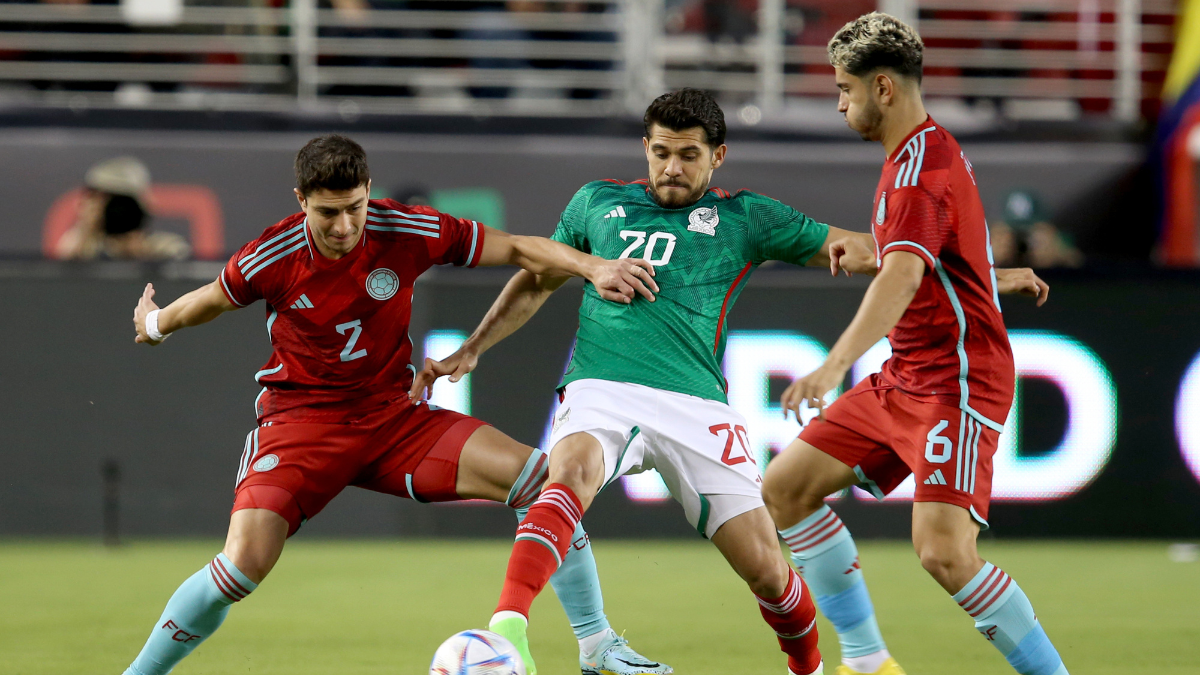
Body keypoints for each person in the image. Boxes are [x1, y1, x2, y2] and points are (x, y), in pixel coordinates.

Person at [410, 89, 1047, 675]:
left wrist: (982, 275)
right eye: (661, 153)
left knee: (772, 575)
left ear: (718, 155)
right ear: (646, 149)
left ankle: (815, 670)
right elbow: (537, 277)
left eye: (689, 156)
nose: (672, 168)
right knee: (567, 470)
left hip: (697, 408)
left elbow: (865, 248)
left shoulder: (746, 218)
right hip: (602, 386)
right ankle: (509, 632)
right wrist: (472, 348)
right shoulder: (595, 203)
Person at [119, 134, 670, 675]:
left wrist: (593, 267)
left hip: (393, 419)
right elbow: (209, 300)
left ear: (368, 192)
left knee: (542, 480)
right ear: (300, 201)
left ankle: (596, 646)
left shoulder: (407, 228)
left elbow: (521, 248)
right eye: (327, 213)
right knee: (242, 565)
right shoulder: (274, 253)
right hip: (300, 426)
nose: (343, 227)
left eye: (354, 208)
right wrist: (154, 324)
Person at [761, 13, 1066, 675]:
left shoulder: (914, 174)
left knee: (945, 553)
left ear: (884, 88)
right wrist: (991, 275)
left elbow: (904, 272)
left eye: (846, 89)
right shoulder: (927, 151)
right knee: (785, 487)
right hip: (907, 374)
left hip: (958, 379)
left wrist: (833, 364)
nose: (840, 104)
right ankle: (869, 661)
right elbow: (939, 248)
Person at [54, 156, 190, 261]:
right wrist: (85, 228)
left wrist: (141, 255)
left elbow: (181, 266)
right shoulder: (85, 249)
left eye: (124, 203)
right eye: (107, 200)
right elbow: (62, 273)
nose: (118, 210)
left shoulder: (165, 248)